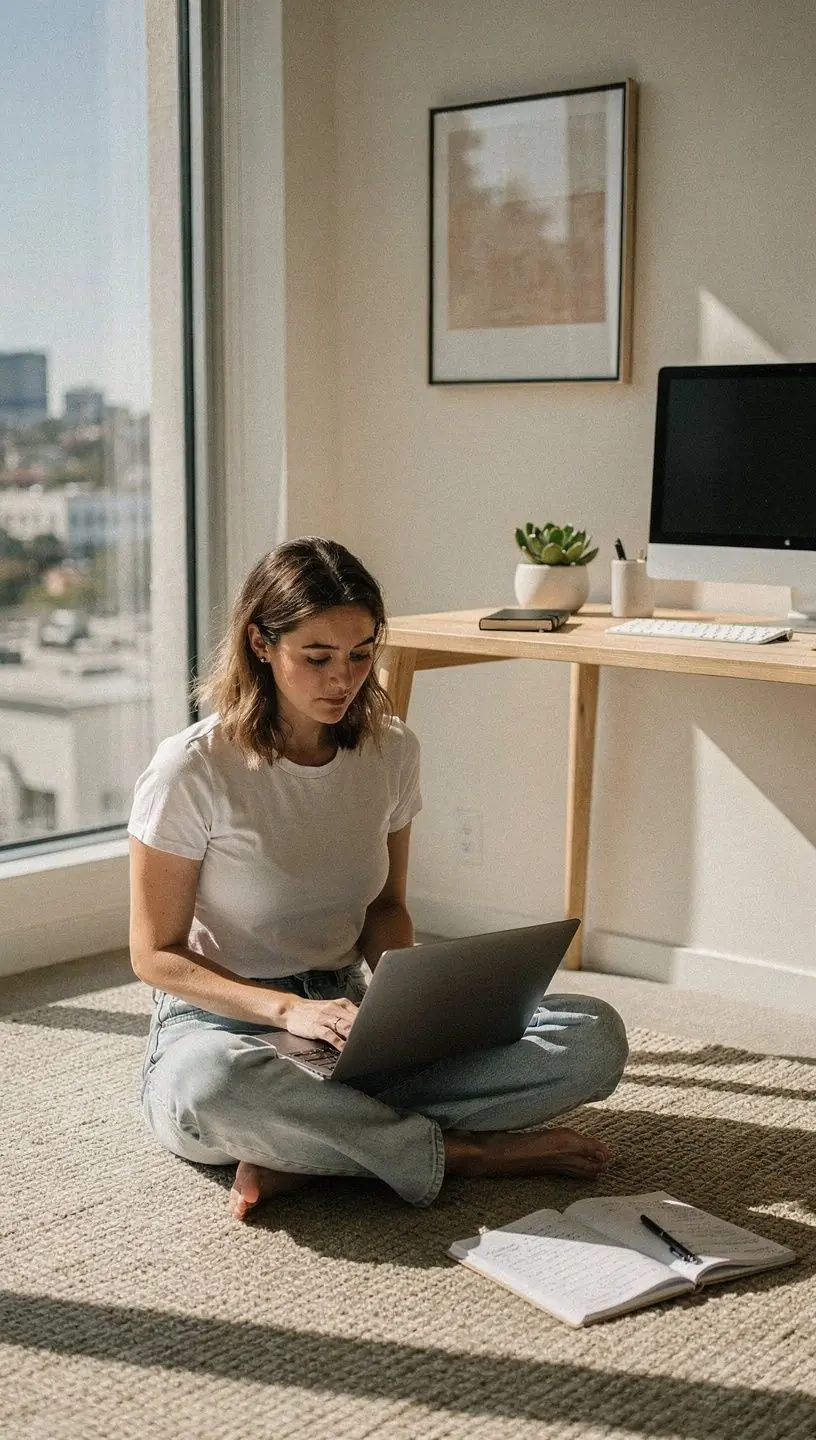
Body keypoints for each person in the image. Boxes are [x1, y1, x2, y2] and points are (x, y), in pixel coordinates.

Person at [128, 536, 628, 1222]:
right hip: (224, 1027)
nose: (344, 678)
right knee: (205, 1089)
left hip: (352, 1023)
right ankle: (464, 1154)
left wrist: (414, 1002)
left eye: (362, 654)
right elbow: (153, 954)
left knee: (593, 1034)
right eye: (318, 657)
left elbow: (387, 906)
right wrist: (285, 1010)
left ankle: (315, 1146)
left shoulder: (391, 750)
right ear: (260, 645)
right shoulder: (192, 769)